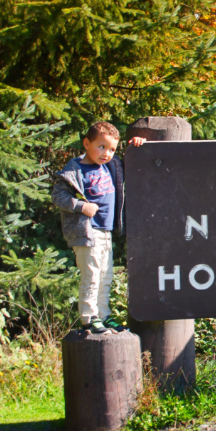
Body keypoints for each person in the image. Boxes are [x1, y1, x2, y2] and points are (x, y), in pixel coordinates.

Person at [52, 122, 145, 334]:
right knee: (92, 275)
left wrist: (137, 144)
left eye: (112, 149)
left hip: (105, 231)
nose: (106, 153)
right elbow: (58, 196)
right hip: (86, 232)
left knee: (105, 276)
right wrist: (81, 206)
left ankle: (103, 315)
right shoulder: (74, 170)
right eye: (101, 146)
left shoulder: (111, 167)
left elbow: (131, 163)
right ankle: (89, 317)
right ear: (86, 143)